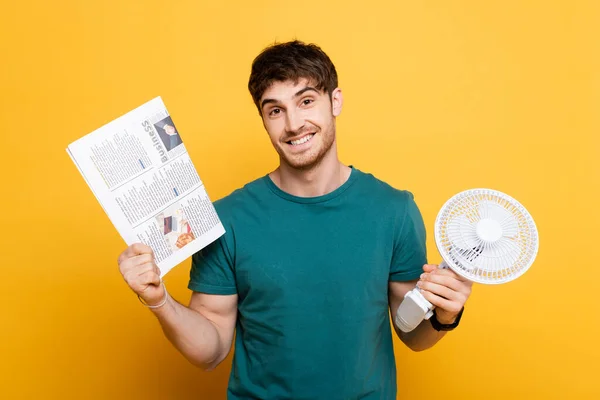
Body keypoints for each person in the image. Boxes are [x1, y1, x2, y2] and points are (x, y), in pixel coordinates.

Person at [118, 40, 473, 399]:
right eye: (275, 111)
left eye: (306, 101)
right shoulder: (226, 219)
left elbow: (411, 332)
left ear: (335, 101)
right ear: (264, 120)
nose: (293, 124)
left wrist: (444, 316)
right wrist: (158, 300)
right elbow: (211, 351)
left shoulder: (394, 210)